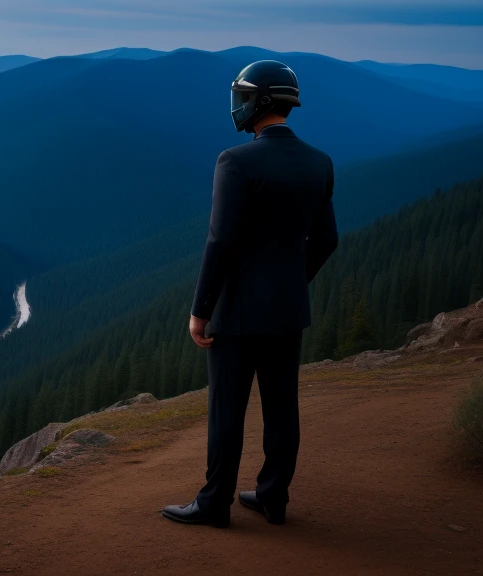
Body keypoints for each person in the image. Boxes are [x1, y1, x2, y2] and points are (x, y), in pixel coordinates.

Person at [162, 60, 339, 528]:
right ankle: (273, 497)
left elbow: (220, 241)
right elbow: (326, 240)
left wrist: (200, 310)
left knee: (227, 410)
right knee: (282, 407)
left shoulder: (235, 161)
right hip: (287, 311)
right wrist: (290, 283)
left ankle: (214, 503)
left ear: (260, 101)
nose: (238, 105)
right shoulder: (320, 162)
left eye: (243, 96)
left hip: (236, 312)